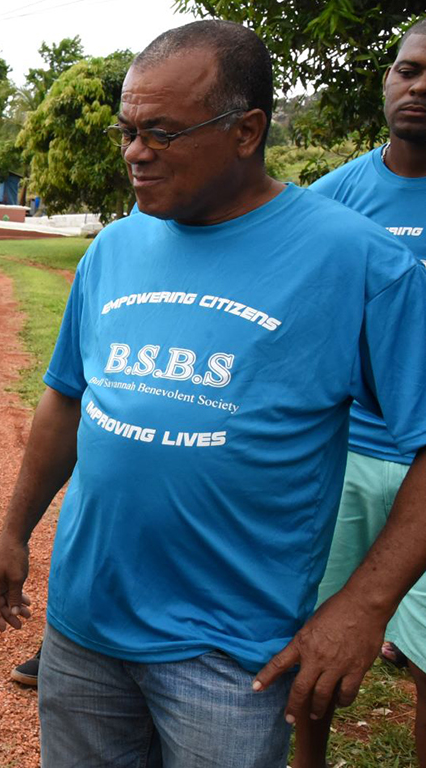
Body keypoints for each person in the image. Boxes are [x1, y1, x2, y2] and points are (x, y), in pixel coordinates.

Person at [0, 21, 426, 767]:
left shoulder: (359, 262)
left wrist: (363, 605)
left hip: (228, 652)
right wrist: (12, 531)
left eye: (161, 131)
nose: (134, 152)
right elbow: (65, 399)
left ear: (247, 131)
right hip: (84, 631)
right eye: (126, 130)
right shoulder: (115, 247)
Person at [297, 19, 426, 768]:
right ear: (388, 79)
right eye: (408, 70)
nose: (420, 87)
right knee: (314, 631)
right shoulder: (335, 199)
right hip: (345, 452)